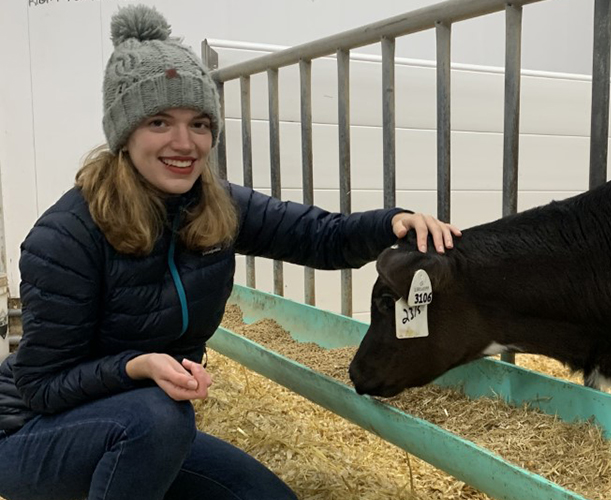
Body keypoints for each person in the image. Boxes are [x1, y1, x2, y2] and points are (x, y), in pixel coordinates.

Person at [0, 5, 460, 500]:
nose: (185, 143)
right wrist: (137, 366)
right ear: (124, 133)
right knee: (158, 415)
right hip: (30, 435)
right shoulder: (67, 236)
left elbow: (318, 237)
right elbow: (42, 386)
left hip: (143, 428)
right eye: (159, 121)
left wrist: (392, 223)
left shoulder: (214, 204)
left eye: (199, 123)